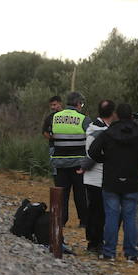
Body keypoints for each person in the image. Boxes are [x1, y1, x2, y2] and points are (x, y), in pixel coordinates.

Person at [88, 103, 138, 261]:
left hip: (111, 180)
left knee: (111, 216)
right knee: (130, 218)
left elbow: (92, 151)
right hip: (131, 180)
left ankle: (109, 252)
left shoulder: (108, 133)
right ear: (131, 116)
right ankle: (131, 253)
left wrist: (105, 159)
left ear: (116, 115)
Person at [50, 91, 91, 227]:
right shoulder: (83, 119)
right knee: (80, 194)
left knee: (62, 194)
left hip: (59, 162)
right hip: (78, 163)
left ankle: (61, 220)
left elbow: (51, 135)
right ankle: (84, 221)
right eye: (82, 104)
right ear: (78, 104)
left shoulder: (55, 117)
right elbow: (91, 139)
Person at [80, 99, 115, 255]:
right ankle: (95, 243)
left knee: (94, 210)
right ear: (113, 113)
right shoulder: (101, 130)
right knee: (98, 212)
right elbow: (96, 154)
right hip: (97, 177)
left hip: (92, 177)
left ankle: (93, 241)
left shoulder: (93, 127)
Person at [42, 95, 63, 177]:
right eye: (51, 105)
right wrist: (52, 138)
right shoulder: (49, 118)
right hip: (53, 147)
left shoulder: (66, 115)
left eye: (54, 105)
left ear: (60, 103)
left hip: (66, 147)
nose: (52, 107)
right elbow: (44, 131)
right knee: (55, 170)